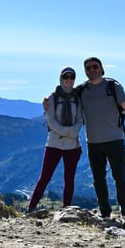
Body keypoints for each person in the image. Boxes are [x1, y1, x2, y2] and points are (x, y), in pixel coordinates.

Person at [46, 57, 125, 217]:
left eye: (95, 67)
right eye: (88, 68)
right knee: (98, 179)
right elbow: (64, 95)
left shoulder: (112, 86)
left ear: (101, 68)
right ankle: (105, 212)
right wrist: (47, 102)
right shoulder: (81, 90)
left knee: (119, 176)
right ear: (85, 71)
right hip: (93, 142)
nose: (92, 70)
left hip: (114, 139)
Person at [28, 67, 83, 212]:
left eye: (72, 77)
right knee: (44, 178)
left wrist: (66, 132)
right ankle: (31, 208)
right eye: (66, 77)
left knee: (69, 179)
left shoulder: (78, 98)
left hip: (71, 146)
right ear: (61, 78)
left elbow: (79, 120)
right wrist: (68, 132)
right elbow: (50, 121)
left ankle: (66, 211)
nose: (69, 80)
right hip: (54, 145)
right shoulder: (52, 98)